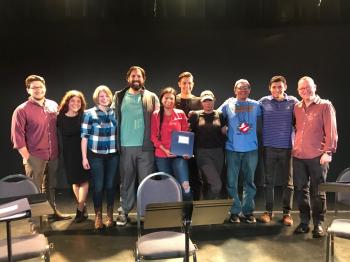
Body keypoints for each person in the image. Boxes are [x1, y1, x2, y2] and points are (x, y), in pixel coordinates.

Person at [11, 74, 71, 231]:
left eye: (40, 86)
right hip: (34, 156)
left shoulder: (52, 105)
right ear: (28, 90)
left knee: (51, 186)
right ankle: (36, 223)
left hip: (53, 154)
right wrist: (28, 158)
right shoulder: (21, 110)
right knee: (34, 190)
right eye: (34, 87)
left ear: (45, 88)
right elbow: (17, 138)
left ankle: (52, 212)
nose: (38, 90)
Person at [112, 66, 159, 226]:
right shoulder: (119, 96)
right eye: (133, 76)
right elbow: (112, 118)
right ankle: (124, 212)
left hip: (145, 147)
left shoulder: (151, 97)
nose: (136, 78)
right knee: (126, 181)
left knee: (146, 181)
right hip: (125, 146)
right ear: (128, 78)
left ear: (143, 79)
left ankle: (145, 213)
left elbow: (158, 121)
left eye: (139, 76)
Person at [292, 76, 337, 238]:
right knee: (301, 190)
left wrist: (328, 151)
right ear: (298, 91)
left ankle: (318, 224)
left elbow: (331, 130)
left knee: (317, 192)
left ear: (315, 87)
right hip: (298, 156)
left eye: (308, 87)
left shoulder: (325, 105)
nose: (305, 91)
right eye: (301, 89)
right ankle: (304, 222)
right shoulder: (296, 107)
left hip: (318, 156)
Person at [218, 79, 261, 224]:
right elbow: (214, 114)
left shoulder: (256, 105)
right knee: (231, 182)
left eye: (246, 88)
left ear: (249, 90)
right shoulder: (228, 104)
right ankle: (235, 212)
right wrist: (223, 125)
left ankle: (248, 211)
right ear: (235, 90)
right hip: (232, 149)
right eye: (240, 88)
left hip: (251, 149)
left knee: (249, 182)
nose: (243, 90)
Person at [258, 76, 298, 226]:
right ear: (270, 88)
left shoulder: (293, 102)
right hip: (269, 148)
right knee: (269, 182)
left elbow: (305, 111)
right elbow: (246, 108)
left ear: (285, 87)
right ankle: (268, 212)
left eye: (280, 87)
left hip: (287, 148)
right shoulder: (263, 102)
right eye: (274, 87)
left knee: (288, 183)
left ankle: (287, 214)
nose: (277, 90)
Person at [81, 85, 119, 230]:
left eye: (106, 96)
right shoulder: (89, 113)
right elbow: (84, 137)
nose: (104, 99)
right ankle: (98, 217)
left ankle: (109, 216)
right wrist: (84, 157)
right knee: (98, 186)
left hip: (113, 155)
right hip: (95, 155)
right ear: (97, 98)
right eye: (101, 96)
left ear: (110, 97)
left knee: (110, 186)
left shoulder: (115, 113)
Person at [151, 87, 192, 200]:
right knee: (168, 187)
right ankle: (172, 214)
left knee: (185, 185)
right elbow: (153, 137)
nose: (169, 100)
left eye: (171, 98)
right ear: (161, 99)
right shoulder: (156, 114)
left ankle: (187, 215)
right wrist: (165, 150)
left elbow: (185, 135)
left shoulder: (180, 113)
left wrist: (185, 151)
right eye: (166, 98)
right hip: (162, 156)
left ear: (175, 100)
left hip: (179, 156)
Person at [57, 90, 89, 223]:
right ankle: (83, 206)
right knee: (74, 181)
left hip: (83, 152)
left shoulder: (84, 116)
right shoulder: (60, 117)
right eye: (72, 101)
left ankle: (80, 208)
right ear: (67, 102)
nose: (76, 103)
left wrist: (85, 156)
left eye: (78, 101)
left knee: (84, 179)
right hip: (69, 153)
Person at [188, 90, 226, 199]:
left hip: (218, 153)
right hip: (202, 154)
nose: (208, 103)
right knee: (216, 185)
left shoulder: (220, 115)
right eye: (205, 101)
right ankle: (206, 209)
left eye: (210, 101)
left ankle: (207, 210)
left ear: (214, 101)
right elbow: (187, 133)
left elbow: (224, 132)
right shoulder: (196, 115)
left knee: (209, 184)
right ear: (201, 102)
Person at [175, 71, 202, 200]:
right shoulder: (173, 99)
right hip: (176, 144)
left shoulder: (199, 101)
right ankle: (178, 206)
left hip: (194, 144)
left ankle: (195, 207)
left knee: (195, 176)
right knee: (178, 176)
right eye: (184, 83)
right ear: (179, 84)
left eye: (189, 83)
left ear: (193, 84)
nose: (187, 85)